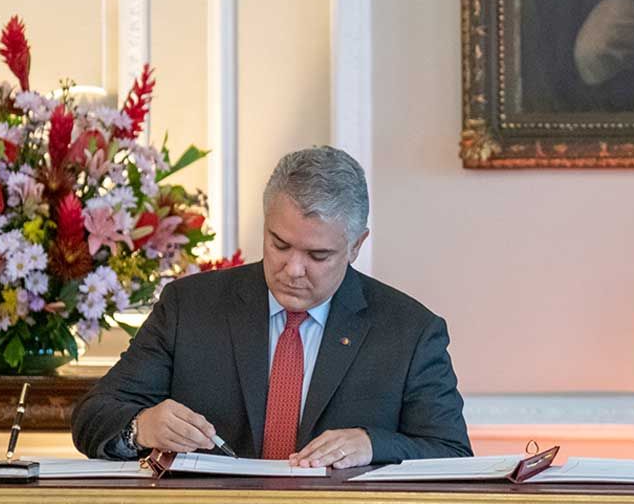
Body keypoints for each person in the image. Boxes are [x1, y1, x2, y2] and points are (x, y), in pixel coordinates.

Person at [72, 146, 472, 468]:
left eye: (317, 255)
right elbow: (93, 415)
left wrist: (373, 444)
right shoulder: (188, 307)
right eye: (279, 245)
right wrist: (141, 426)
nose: (293, 269)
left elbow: (453, 454)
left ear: (356, 246)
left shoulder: (410, 332)